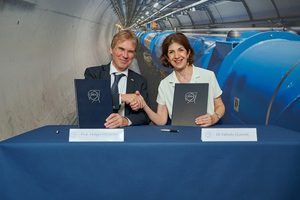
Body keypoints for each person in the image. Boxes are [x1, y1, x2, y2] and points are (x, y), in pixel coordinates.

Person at [132, 32, 225, 127]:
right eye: (171, 52)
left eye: (180, 50)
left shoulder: (208, 76)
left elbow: (220, 106)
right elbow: (161, 120)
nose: (177, 56)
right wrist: (144, 106)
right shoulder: (165, 84)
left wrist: (214, 118)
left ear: (188, 53)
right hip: (180, 133)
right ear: (167, 58)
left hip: (206, 132)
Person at [84, 30, 150, 128]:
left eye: (130, 51)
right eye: (121, 49)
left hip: (126, 135)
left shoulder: (140, 81)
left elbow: (145, 116)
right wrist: (122, 97)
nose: (125, 55)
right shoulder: (94, 74)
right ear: (111, 50)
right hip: (98, 131)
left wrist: (126, 121)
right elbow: (88, 102)